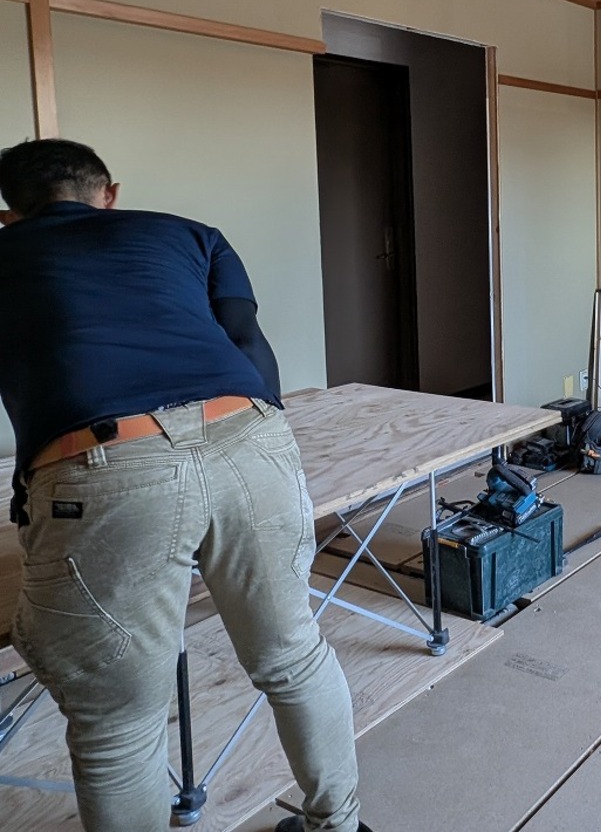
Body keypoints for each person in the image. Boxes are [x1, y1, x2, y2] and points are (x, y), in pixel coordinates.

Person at [0, 139, 370, 832]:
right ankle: (340, 824)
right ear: (109, 194)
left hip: (108, 464)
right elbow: (248, 343)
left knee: (120, 725)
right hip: (251, 437)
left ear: (10, 214)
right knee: (293, 655)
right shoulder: (190, 234)